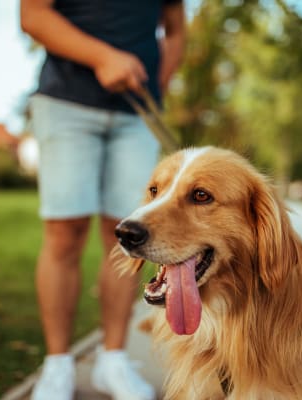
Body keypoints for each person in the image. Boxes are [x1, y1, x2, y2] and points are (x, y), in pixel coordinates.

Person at [20, 1, 185, 399]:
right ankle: (58, 365)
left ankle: (113, 360)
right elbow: (33, 15)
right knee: (64, 234)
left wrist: (157, 86)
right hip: (66, 103)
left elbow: (176, 28)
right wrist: (104, 56)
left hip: (135, 115)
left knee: (130, 240)